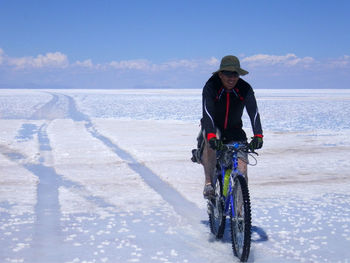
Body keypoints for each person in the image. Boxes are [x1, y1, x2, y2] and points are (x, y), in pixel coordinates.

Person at [192, 55, 263, 199]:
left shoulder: (244, 88)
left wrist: (258, 135)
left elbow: (253, 112)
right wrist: (211, 136)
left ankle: (240, 214)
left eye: (235, 74)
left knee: (242, 170)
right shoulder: (211, 86)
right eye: (227, 74)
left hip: (235, 130)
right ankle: (209, 184)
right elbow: (207, 113)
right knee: (211, 142)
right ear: (220, 74)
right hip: (213, 127)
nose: (231, 78)